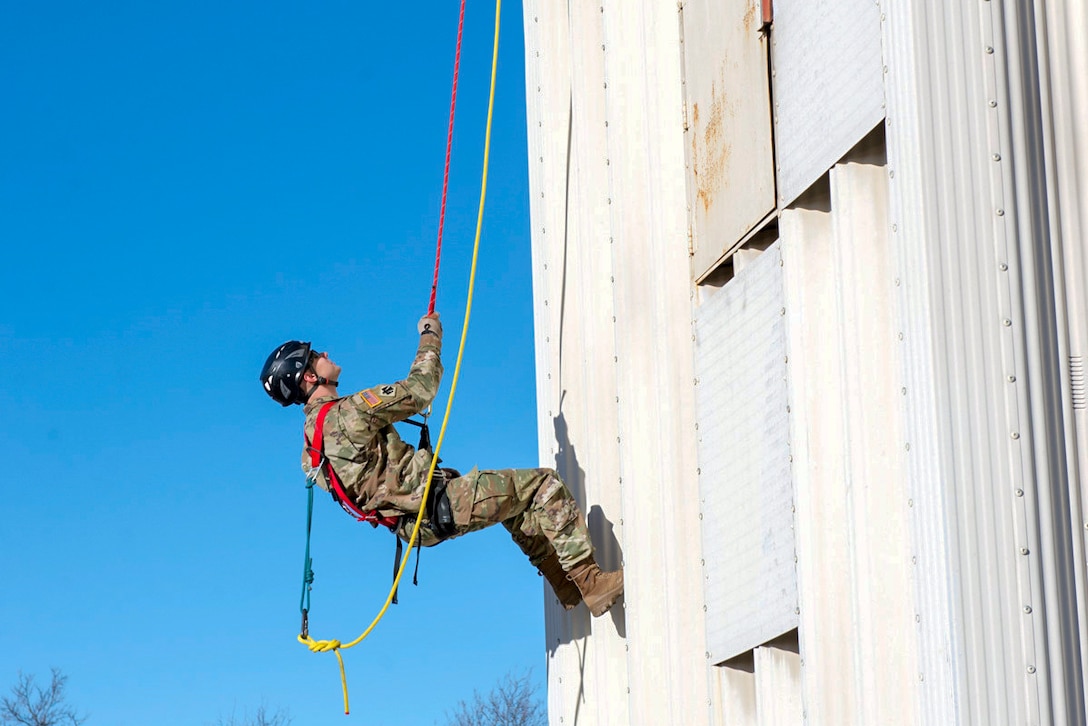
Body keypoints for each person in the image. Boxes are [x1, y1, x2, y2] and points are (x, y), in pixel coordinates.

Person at [259, 312, 624, 617]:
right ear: (310, 376)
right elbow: (421, 388)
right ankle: (589, 582)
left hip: (416, 526)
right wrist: (430, 335)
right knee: (543, 486)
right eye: (314, 355)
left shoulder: (311, 452)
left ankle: (567, 586)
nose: (324, 352)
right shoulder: (348, 413)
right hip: (439, 503)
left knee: (516, 507)